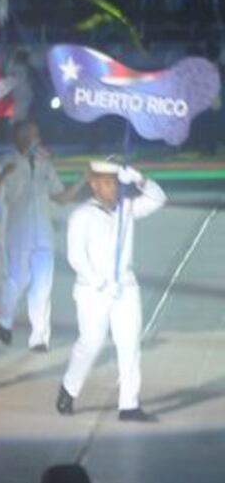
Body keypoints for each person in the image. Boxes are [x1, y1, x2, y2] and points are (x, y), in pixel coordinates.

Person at [57, 159, 167, 423]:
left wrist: (140, 179)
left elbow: (158, 199)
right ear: (94, 185)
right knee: (90, 343)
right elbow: (76, 257)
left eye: (115, 183)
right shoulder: (82, 215)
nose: (113, 189)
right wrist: (100, 281)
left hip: (126, 288)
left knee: (129, 345)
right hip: (93, 290)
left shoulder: (127, 209)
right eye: (106, 183)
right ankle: (69, 388)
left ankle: (128, 405)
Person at [0, 121, 84, 352]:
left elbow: (60, 197)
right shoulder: (5, 163)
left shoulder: (45, 164)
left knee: (43, 285)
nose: (37, 138)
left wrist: (81, 182)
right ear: (20, 137)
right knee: (17, 280)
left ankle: (39, 337)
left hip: (43, 234)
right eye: (32, 134)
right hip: (18, 232)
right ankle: (5, 319)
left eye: (37, 134)